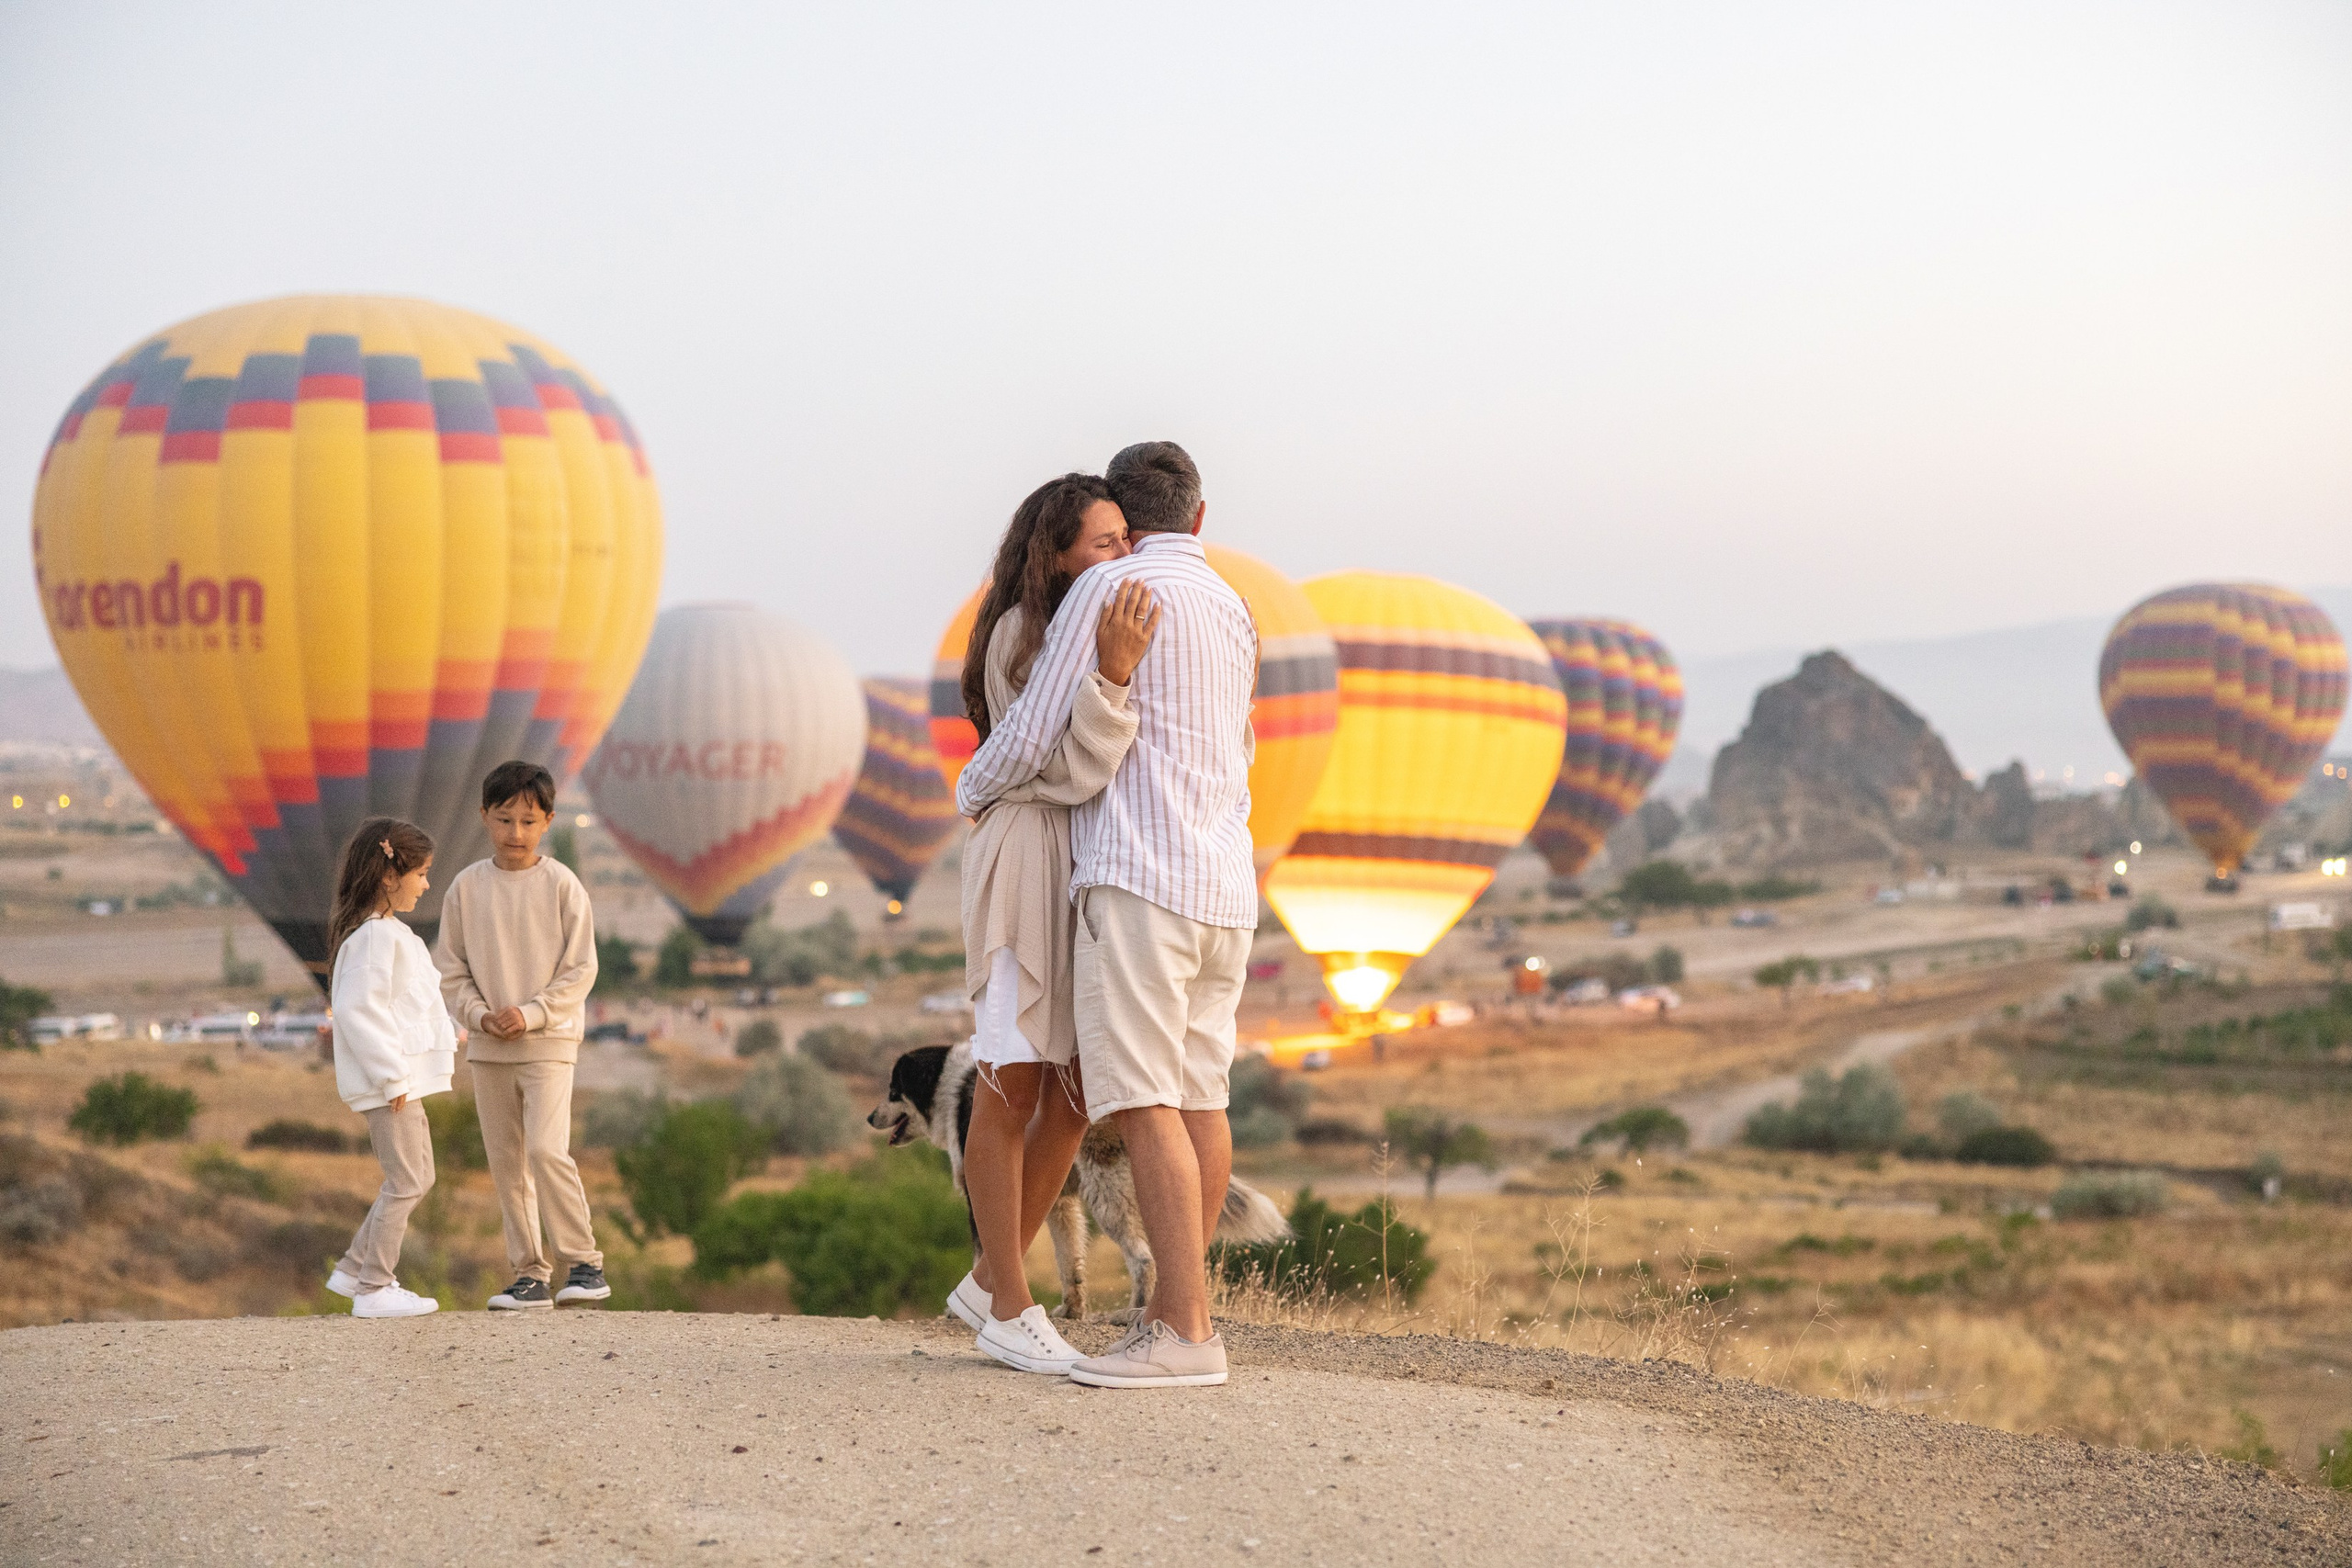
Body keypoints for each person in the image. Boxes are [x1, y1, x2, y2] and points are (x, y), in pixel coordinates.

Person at [957, 441, 1257, 1390]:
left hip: (1136, 875)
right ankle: (1159, 1314)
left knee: (1136, 1102)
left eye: (1118, 537)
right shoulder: (1234, 606)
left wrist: (972, 784)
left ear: (1133, 526)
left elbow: (1031, 736)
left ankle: (1181, 1330)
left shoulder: (1111, 592)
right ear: (1200, 518)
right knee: (1193, 1098)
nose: (1113, 554)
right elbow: (1242, 749)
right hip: (1222, 884)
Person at [955, 472, 1161, 1374]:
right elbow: (1068, 765)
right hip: (1024, 859)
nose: (1121, 557)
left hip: (1074, 864)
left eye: (1127, 539)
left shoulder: (1077, 626)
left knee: (1077, 1091)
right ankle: (1008, 1302)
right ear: (1057, 554)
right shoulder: (1021, 636)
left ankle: (982, 1278)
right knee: (1008, 1083)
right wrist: (1115, 676)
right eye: (1103, 543)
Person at [435, 761, 604, 1312]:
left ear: (549, 821)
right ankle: (530, 1274)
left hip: (549, 1043)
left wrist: (531, 1014)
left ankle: (585, 1263)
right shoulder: (465, 887)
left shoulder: (562, 884)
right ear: (483, 817)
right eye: (504, 819)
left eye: (528, 821)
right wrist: (480, 1017)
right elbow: (451, 971)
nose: (515, 834)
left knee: (545, 1149)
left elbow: (581, 969)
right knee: (507, 1165)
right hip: (487, 1048)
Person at [322, 817, 454, 1320]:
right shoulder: (374, 939)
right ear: (388, 875)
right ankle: (374, 1287)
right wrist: (393, 1076)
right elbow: (360, 1010)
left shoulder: (389, 935)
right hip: (392, 1084)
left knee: (418, 1175)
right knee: (407, 1180)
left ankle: (355, 1269)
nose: (426, 884)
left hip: (400, 1081)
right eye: (420, 873)